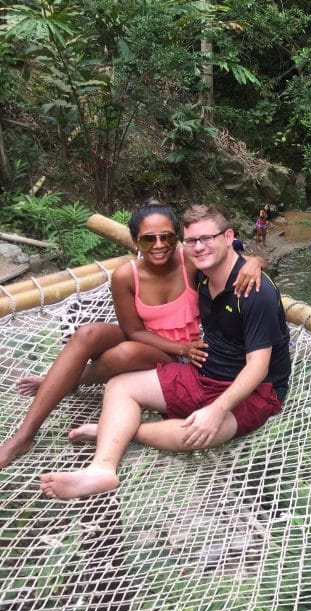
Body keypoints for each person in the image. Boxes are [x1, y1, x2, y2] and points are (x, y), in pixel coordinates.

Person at [40, 204, 291, 499]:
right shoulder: (201, 275)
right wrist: (255, 259)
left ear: (227, 237)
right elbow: (231, 253)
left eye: (207, 239)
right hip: (203, 371)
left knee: (197, 432)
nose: (200, 247)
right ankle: (102, 469)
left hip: (255, 392)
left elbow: (257, 367)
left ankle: (114, 431)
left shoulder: (255, 293)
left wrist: (216, 409)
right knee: (121, 386)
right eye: (192, 241)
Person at [0, 202, 264, 469]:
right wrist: (178, 347)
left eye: (167, 237)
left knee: (125, 352)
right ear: (136, 242)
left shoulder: (189, 259)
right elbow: (134, 331)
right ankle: (25, 434)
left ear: (177, 238)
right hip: (146, 340)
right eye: (148, 239)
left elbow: (234, 251)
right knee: (87, 333)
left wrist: (254, 263)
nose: (159, 245)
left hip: (182, 358)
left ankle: (59, 383)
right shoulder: (127, 275)